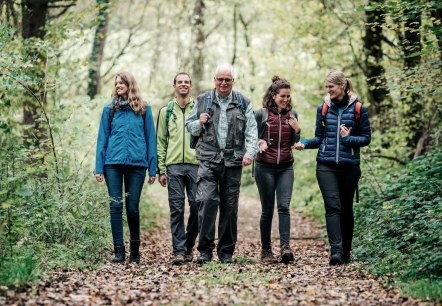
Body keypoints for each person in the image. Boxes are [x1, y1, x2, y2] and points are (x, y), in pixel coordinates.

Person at [294, 70, 371, 265]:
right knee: (332, 207)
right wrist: (304, 142)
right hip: (326, 165)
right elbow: (320, 138)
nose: (328, 91)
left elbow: (366, 139)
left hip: (350, 167)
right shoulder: (323, 109)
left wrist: (348, 138)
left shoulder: (359, 109)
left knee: (346, 209)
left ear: (342, 86)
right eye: (326, 87)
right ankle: (335, 252)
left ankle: (346, 251)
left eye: (331, 87)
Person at [185, 63, 258, 264]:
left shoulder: (243, 102)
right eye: (220, 79)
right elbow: (189, 128)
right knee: (207, 201)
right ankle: (205, 252)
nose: (224, 83)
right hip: (208, 160)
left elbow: (252, 130)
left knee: (230, 207)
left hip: (233, 161)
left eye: (228, 79)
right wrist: (198, 122)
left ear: (233, 81)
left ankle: (226, 253)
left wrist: (250, 152)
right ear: (214, 80)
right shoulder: (202, 100)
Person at [95, 72, 157, 264]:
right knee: (115, 206)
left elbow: (150, 139)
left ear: (130, 84)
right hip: (112, 164)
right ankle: (119, 252)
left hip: (137, 164)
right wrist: (99, 167)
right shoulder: (109, 109)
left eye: (122, 82)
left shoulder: (144, 109)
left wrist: (152, 168)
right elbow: (102, 139)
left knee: (132, 208)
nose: (118, 85)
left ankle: (135, 251)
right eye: (116, 82)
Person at [254, 76, 301, 264]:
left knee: (284, 207)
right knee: (267, 210)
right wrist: (259, 141)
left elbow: (294, 142)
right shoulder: (261, 114)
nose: (286, 100)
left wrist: (298, 131)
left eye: (288, 96)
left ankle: (285, 248)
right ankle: (266, 251)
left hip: (285, 167)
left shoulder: (293, 114)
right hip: (264, 167)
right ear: (273, 95)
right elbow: (250, 138)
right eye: (283, 96)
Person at [156, 72, 199, 265]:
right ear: (174, 86)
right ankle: (179, 251)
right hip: (173, 166)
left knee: (198, 206)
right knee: (177, 209)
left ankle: (189, 245)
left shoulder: (198, 109)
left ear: (191, 86)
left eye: (186, 82)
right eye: (180, 82)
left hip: (196, 165)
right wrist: (161, 169)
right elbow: (161, 141)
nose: (183, 85)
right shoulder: (166, 111)